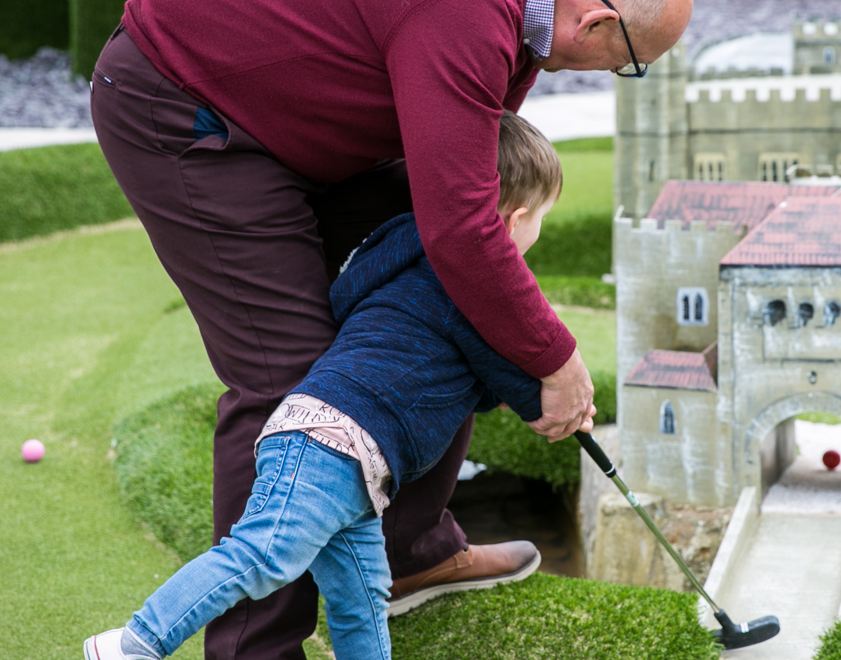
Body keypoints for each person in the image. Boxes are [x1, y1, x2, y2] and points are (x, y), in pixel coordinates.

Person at [88, 0, 691, 657]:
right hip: (193, 108)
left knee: (466, 305)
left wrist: (517, 342)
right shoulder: (467, 15)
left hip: (303, 113)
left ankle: (407, 553)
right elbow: (462, 231)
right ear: (598, 24)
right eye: (631, 63)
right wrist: (555, 359)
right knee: (291, 386)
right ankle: (253, 651)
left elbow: (466, 195)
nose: (616, 71)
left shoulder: (523, 29)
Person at [83, 112, 564, 660]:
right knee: (263, 555)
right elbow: (517, 376)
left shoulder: (398, 252)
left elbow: (378, 317)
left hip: (346, 456)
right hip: (335, 446)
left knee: (362, 596)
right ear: (512, 222)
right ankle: (133, 643)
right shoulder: (473, 289)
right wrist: (558, 403)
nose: (540, 229)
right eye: (542, 217)